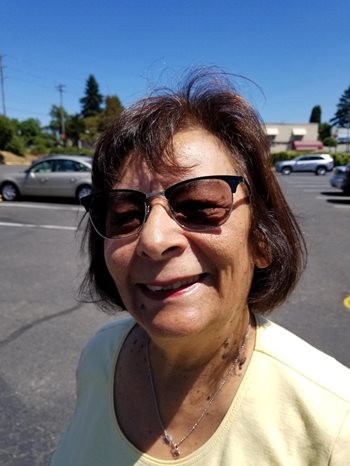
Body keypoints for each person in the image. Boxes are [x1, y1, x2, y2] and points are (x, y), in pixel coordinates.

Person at [50, 69, 350, 466]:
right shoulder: (99, 356)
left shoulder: (333, 420)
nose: (154, 240)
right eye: (124, 214)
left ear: (261, 239)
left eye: (199, 206)